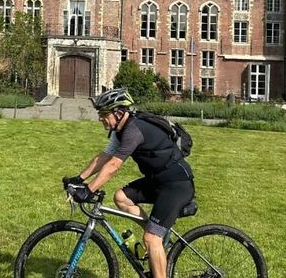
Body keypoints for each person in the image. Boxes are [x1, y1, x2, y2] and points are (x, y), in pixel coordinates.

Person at [63, 88, 194, 278]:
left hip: (176, 184)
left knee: (150, 238)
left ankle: (156, 238)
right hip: (158, 181)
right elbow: (104, 157)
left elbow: (114, 165)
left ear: (118, 113)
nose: (100, 119)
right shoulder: (120, 131)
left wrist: (89, 190)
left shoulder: (133, 130)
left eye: (103, 115)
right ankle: (160, 234)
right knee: (121, 197)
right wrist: (79, 179)